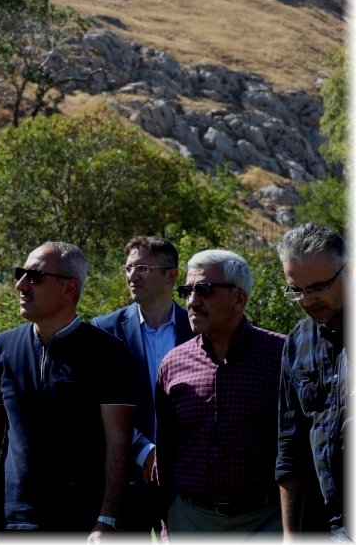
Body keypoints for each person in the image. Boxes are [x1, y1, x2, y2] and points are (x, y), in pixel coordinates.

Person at [0, 242, 135, 539]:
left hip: (82, 522)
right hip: (16, 520)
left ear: (69, 288)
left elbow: (118, 442)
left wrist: (107, 518)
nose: (20, 285)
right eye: (20, 274)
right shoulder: (3, 347)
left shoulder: (108, 353)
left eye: (34, 276)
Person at [155, 249, 285, 534]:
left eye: (204, 290)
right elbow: (165, 449)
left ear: (239, 299)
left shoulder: (281, 355)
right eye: (187, 291)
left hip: (265, 521)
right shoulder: (173, 363)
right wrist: (169, 521)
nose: (192, 301)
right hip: (191, 521)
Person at [91, 236, 193, 536]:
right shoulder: (105, 329)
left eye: (143, 268)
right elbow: (97, 403)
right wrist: (145, 450)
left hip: (186, 477)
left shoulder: (198, 328)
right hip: (127, 479)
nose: (132, 276)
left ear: (171, 275)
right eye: (128, 268)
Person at [275, 222, 347, 539]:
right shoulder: (298, 341)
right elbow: (290, 448)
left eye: (318, 287)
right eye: (296, 290)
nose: (306, 300)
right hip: (325, 527)